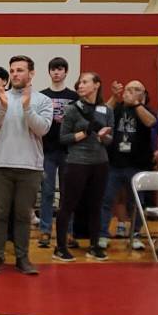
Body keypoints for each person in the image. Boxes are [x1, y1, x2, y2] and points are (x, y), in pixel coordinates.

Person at [0, 55, 53, 274]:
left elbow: (42, 129)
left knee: (23, 215)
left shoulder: (43, 100)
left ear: (31, 73)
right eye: (12, 70)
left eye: (20, 70)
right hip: (0, 164)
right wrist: (3, 108)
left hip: (30, 167)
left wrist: (27, 108)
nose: (15, 74)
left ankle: (23, 258)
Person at [53, 73, 113, 262]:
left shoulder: (106, 110)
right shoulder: (72, 109)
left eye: (85, 82)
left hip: (100, 162)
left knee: (96, 205)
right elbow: (63, 138)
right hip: (77, 162)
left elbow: (110, 140)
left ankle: (94, 246)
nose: (80, 85)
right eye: (79, 82)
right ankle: (60, 247)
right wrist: (85, 133)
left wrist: (103, 137)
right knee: (68, 205)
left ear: (97, 85)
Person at [98, 80, 158, 251]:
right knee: (106, 199)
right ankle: (102, 234)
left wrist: (137, 104)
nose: (131, 92)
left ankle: (135, 235)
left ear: (143, 94)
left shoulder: (146, 110)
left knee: (136, 202)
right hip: (114, 164)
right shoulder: (117, 108)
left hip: (137, 165)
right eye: (129, 89)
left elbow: (151, 122)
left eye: (136, 89)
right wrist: (114, 97)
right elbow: (101, 114)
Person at [38, 57, 79, 248]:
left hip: (68, 151)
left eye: (60, 69)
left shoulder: (74, 96)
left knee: (67, 193)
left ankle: (67, 232)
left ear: (66, 72)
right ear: (49, 72)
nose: (56, 72)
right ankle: (45, 231)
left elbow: (80, 122)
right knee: (46, 192)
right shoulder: (42, 96)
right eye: (53, 69)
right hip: (47, 150)